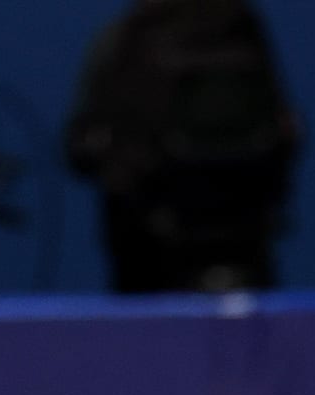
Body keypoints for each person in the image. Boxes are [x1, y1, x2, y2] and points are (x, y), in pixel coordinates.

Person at [64, 0, 302, 294]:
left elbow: (80, 148)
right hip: (229, 242)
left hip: (161, 252)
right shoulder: (245, 29)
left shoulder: (126, 37)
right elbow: (286, 131)